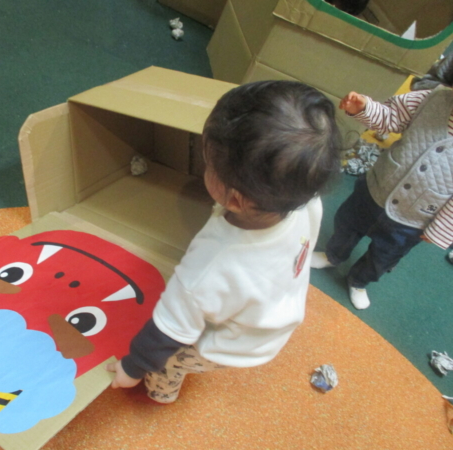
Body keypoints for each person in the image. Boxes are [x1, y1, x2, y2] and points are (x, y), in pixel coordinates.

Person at [106, 81, 342, 403]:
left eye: (208, 165)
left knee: (170, 360)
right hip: (276, 316)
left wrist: (132, 367)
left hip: (231, 345)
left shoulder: (211, 265)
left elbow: (168, 329)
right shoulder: (305, 200)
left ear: (234, 200)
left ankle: (161, 393)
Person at [311, 73, 453, 309]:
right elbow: (392, 117)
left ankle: (359, 281)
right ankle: (333, 255)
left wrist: (441, 229)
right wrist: (365, 109)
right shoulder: (433, 98)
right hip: (377, 187)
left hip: (414, 217)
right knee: (348, 224)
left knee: (385, 255)